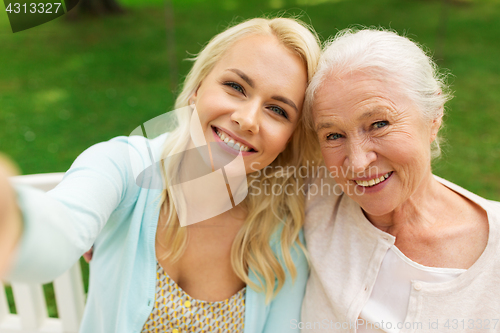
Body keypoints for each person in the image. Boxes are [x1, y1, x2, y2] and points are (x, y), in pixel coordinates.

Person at [0, 17, 321, 333]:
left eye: (278, 110)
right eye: (235, 87)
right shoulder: (123, 166)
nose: (248, 119)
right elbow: (59, 229)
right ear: (197, 89)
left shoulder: (285, 233)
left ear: (290, 137)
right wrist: (12, 218)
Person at [301, 28, 500, 332]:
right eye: (333, 135)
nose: (357, 162)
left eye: (379, 124)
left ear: (433, 116)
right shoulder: (313, 204)